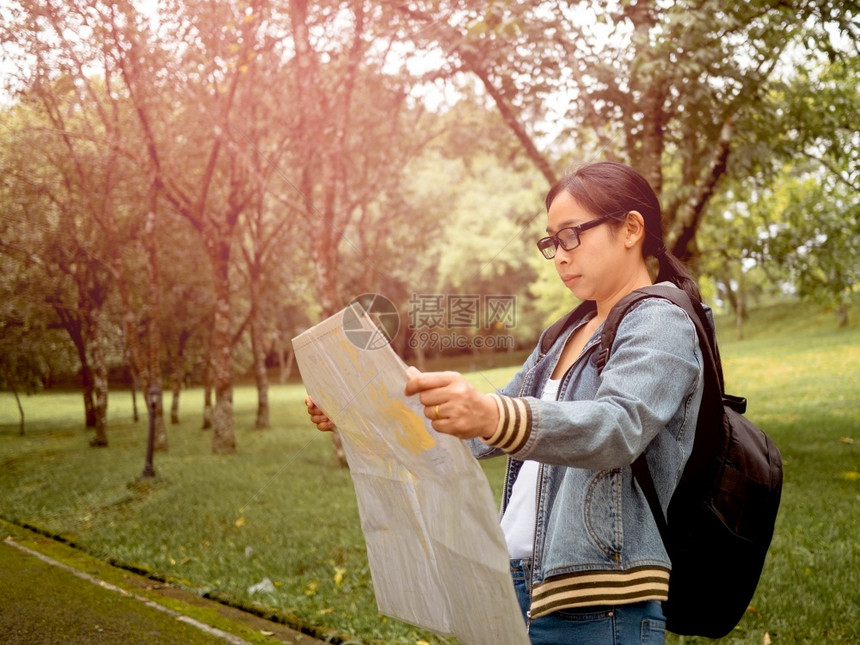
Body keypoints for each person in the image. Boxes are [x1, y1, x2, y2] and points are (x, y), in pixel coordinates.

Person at [306, 160, 705, 644]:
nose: (558, 255)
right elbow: (478, 429)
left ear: (631, 228)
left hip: (600, 603)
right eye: (551, 242)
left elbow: (616, 428)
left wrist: (491, 414)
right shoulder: (565, 334)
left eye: (571, 235)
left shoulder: (660, 320)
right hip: (519, 585)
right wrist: (365, 412)